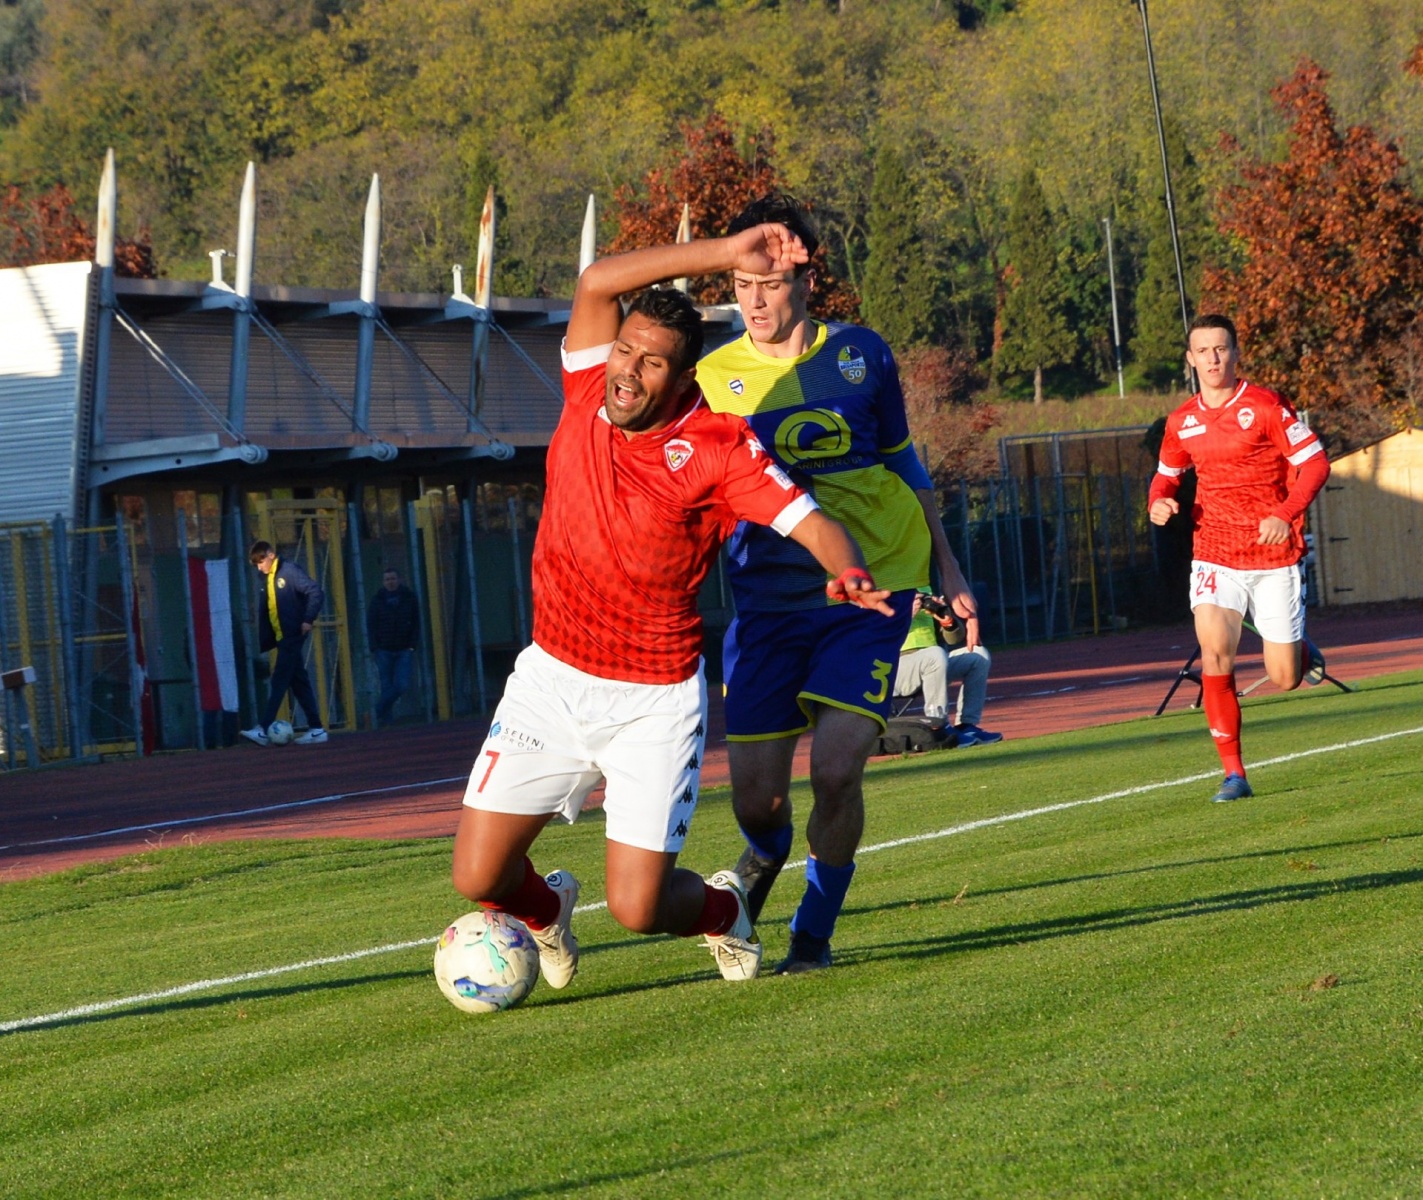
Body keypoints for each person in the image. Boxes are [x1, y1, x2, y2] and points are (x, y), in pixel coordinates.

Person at [450, 220, 894, 989]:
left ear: (685, 378)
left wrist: (846, 568)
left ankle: (725, 912)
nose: (627, 373)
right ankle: (548, 910)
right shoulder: (587, 385)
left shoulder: (719, 447)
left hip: (649, 700)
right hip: (551, 678)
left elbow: (810, 520)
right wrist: (725, 254)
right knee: (479, 877)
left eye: (652, 363)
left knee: (638, 906)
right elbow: (597, 281)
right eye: (625, 351)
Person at [695, 192, 980, 973]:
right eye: (742, 287)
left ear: (806, 280)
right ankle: (759, 862)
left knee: (834, 767)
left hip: (872, 586)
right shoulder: (710, 377)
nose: (754, 302)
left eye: (770, 284)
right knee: (758, 800)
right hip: (766, 600)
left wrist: (945, 562)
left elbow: (900, 458)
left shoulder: (861, 353)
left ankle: (811, 936)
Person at [1148, 313, 1329, 803]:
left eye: (1220, 349)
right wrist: (1158, 502)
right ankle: (1234, 774)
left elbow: (1315, 463)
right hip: (1214, 552)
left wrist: (1285, 514)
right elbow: (1165, 477)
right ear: (1190, 359)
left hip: (1272, 555)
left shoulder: (1266, 406)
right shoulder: (1181, 421)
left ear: (1235, 353)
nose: (1212, 358)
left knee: (1284, 677)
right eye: (1202, 351)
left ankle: (1301, 651)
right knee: (1214, 655)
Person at [240, 540, 328, 746]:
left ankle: (263, 728)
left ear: (271, 555)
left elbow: (315, 591)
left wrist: (308, 619)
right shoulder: (267, 578)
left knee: (279, 679)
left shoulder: (289, 571)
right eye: (256, 564)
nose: (259, 567)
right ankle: (317, 728)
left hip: (292, 635)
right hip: (282, 638)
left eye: (261, 561)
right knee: (299, 682)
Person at [893, 591, 1003, 747]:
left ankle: (967, 725)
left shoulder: (922, 590)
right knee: (935, 654)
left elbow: (954, 639)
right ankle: (938, 726)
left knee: (978, 655)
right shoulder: (879, 596)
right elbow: (874, 636)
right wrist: (906, 615)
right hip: (892, 671)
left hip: (931, 664)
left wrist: (947, 620)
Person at [366, 567, 420, 726]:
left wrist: (412, 645)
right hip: (383, 649)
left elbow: (416, 622)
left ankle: (376, 712)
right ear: (383, 582)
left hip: (404, 648)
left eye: (393, 578)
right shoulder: (377, 600)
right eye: (387, 579)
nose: (390, 582)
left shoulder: (409, 598)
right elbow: (371, 624)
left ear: (399, 580)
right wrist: (374, 646)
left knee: (402, 685)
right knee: (386, 685)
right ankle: (387, 720)